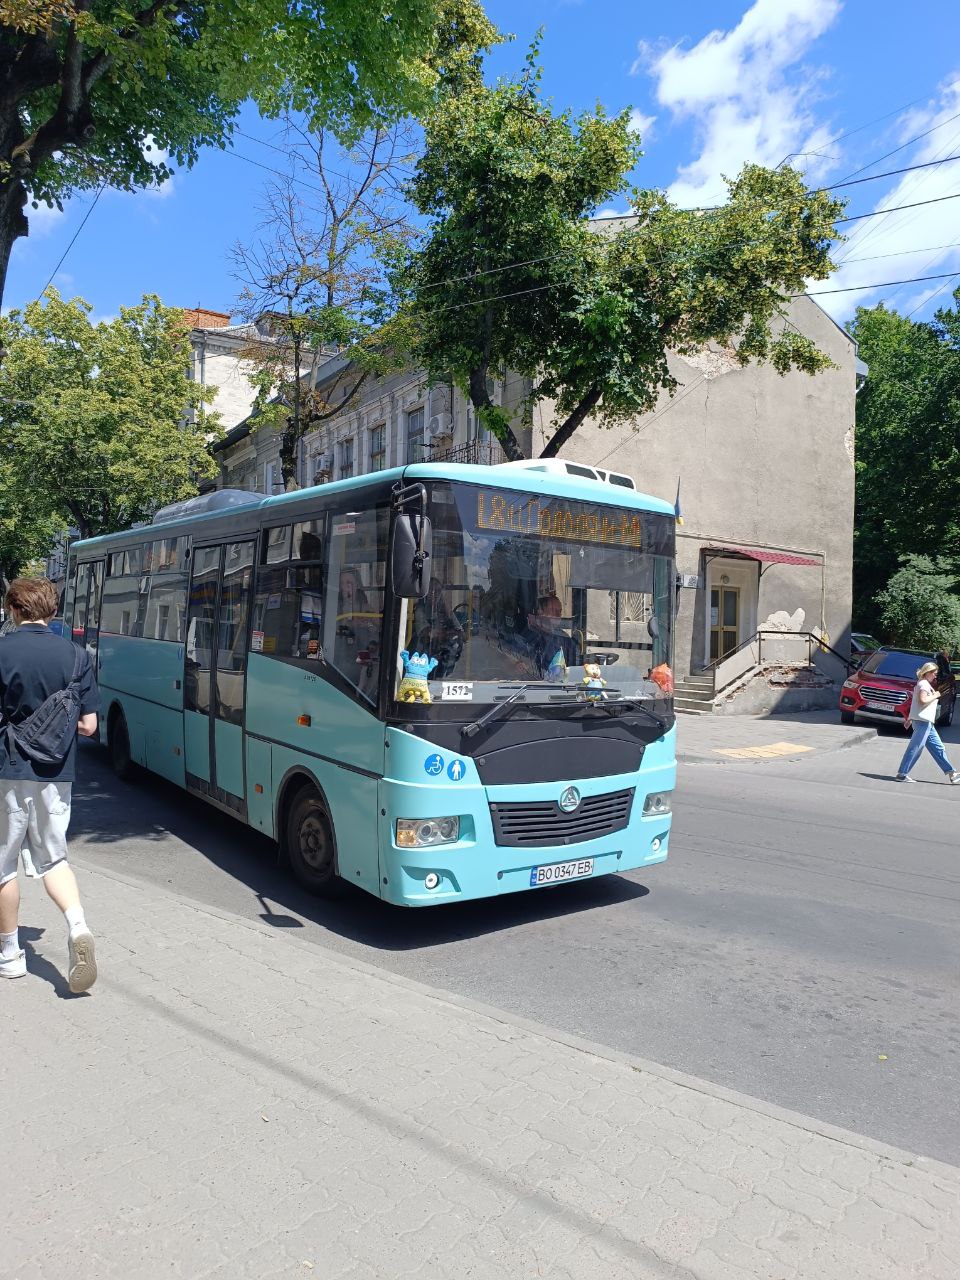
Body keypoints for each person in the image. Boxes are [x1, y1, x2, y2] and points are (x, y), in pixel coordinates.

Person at [0, 577, 100, 990]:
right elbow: (89, 726)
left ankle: (10, 955)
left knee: (3, 865)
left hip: (7, 770)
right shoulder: (78, 656)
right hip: (57, 773)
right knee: (54, 858)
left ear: (13, 609)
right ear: (53, 611)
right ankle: (78, 926)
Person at [896, 659, 960, 785]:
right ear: (928, 672)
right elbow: (922, 700)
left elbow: (915, 704)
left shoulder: (922, 683)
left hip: (925, 722)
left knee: (938, 747)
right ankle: (902, 774)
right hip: (922, 722)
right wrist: (936, 695)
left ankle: (952, 773)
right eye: (934, 673)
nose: (935, 676)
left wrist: (909, 718)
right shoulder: (924, 684)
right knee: (915, 748)